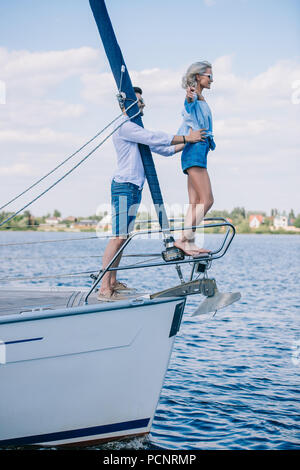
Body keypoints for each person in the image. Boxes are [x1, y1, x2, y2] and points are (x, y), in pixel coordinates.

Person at [97, 87, 206, 301]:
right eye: (138, 101)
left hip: (133, 187)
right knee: (118, 238)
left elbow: (163, 148)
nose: (143, 104)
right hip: (123, 185)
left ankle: (112, 281)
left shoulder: (134, 129)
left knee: (123, 238)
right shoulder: (124, 126)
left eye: (142, 100)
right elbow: (153, 136)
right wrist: (187, 137)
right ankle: (104, 287)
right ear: (125, 105)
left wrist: (191, 142)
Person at [174, 62, 216, 256]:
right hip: (195, 151)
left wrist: (196, 96)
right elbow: (188, 105)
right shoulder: (192, 97)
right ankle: (183, 239)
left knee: (195, 202)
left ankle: (189, 243)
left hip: (198, 150)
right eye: (209, 75)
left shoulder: (201, 98)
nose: (212, 79)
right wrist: (190, 96)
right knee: (207, 200)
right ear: (198, 76)